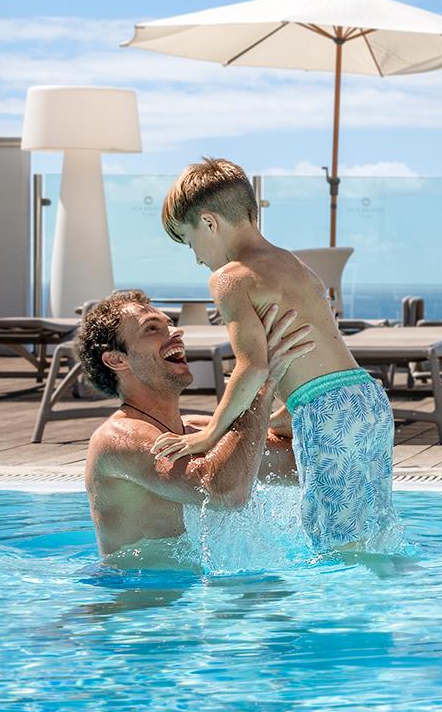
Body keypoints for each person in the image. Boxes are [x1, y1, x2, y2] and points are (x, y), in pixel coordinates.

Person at [149, 158, 396, 549]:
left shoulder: (229, 278)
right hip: (367, 400)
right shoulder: (292, 263)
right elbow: (317, 357)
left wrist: (212, 434)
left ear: (210, 223)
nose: (196, 257)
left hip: (327, 410)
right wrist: (287, 415)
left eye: (189, 240)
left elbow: (252, 367)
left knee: (338, 547)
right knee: (373, 535)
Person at [82, 290, 314, 559]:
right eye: (152, 328)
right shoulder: (116, 439)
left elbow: (303, 465)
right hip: (136, 585)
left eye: (169, 324)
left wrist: (299, 396)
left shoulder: (197, 430)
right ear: (116, 360)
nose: (175, 331)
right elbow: (223, 493)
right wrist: (263, 382)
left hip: (197, 584)